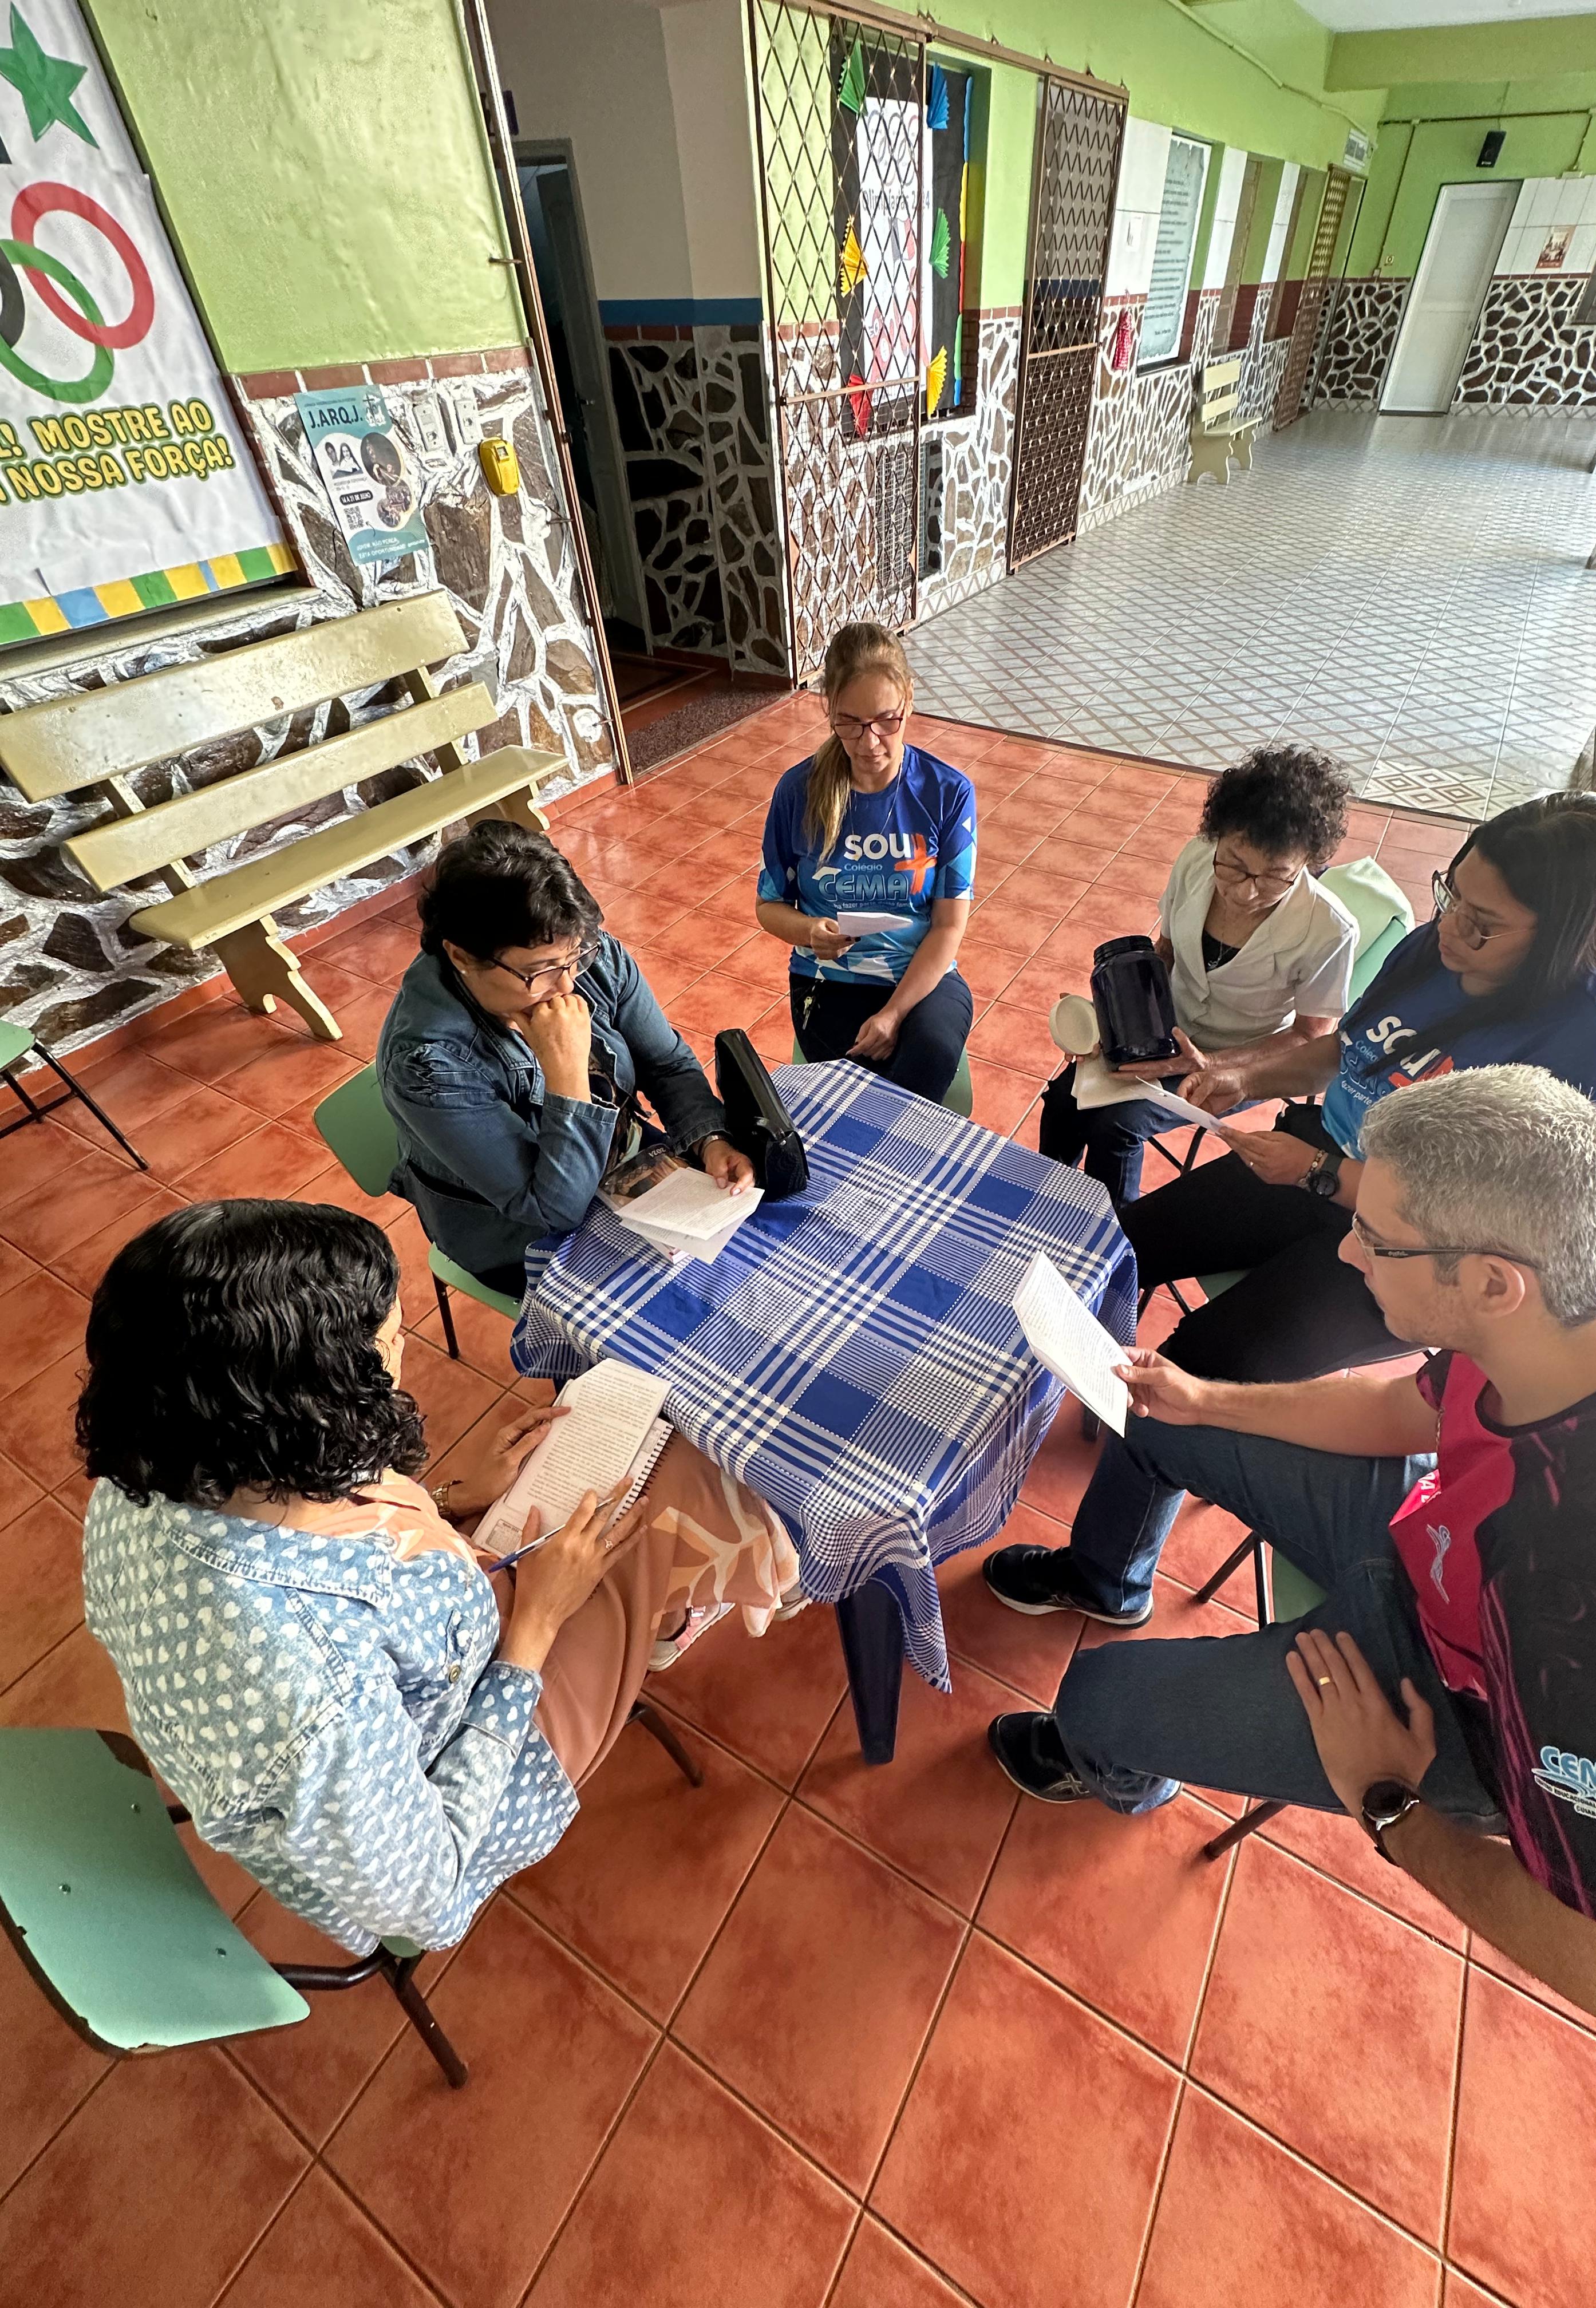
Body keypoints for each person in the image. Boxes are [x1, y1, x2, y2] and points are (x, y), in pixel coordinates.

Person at [983, 1068, 1596, 2040]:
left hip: (1462, 1704)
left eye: (1377, 1239)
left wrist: (1390, 1804)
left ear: (1491, 1281)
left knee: (1090, 1703)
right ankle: (1105, 1580)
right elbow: (1402, 1409)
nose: (1345, 1249)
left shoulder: (1583, 1581)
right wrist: (1207, 1400)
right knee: (1150, 1409)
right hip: (1433, 1546)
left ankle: (1117, 1766)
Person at [79, 1202, 799, 1954]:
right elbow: (427, 1900)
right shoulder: (316, 1697)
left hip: (430, 1656)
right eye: (388, 1342)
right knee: (660, 1510)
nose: (403, 1350)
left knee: (634, 1500)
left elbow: (336, 1534)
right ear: (309, 1408)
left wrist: (451, 1498)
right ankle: (693, 1611)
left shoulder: (158, 1466)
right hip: (469, 1755)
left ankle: (674, 1601)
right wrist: (536, 1628)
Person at [1111, 790, 1596, 1382]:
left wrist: (1321, 1172)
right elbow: (1346, 1050)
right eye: (1452, 896)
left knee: (1193, 1368)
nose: (1450, 927)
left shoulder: (1588, 1041)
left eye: (1483, 925)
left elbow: (1505, 1223)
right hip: (1314, 1164)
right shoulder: (1431, 948)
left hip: (1415, 1250)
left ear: (1559, 935)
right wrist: (1240, 1077)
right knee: (1112, 1249)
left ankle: (1131, 1431)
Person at [377, 820, 753, 1298]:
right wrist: (567, 1072)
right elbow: (554, 1209)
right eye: (538, 972)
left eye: (574, 958)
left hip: (624, 1163)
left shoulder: (581, 955)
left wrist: (709, 1139)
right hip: (521, 1234)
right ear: (461, 956)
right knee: (679, 1305)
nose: (568, 985)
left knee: (751, 1251)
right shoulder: (427, 1065)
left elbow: (666, 1064)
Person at [1038, 745, 1358, 1207]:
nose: (1247, 893)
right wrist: (1117, 1017)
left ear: (1308, 863)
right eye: (1235, 865)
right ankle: (1042, 1200)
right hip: (1167, 1032)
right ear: (1218, 837)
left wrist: (1205, 1063)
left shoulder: (1329, 928)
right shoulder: (1195, 860)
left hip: (1244, 1060)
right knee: (1064, 1099)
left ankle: (1112, 1236)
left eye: (1275, 877)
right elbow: (1165, 952)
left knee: (1117, 1125)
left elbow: (1310, 1036)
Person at [756, 621, 976, 1103]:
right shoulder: (797, 791)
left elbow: (948, 927)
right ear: (829, 710)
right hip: (828, 980)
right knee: (859, 1089)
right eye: (850, 723)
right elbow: (768, 906)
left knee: (929, 1055)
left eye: (886, 721)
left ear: (909, 701)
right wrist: (809, 931)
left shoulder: (948, 793)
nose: (870, 741)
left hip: (923, 976)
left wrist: (893, 1014)